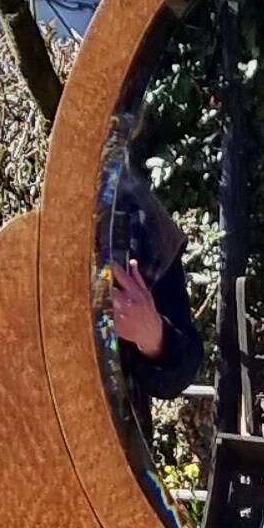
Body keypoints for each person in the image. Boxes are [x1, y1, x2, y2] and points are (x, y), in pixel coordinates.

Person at [102, 160, 203, 430]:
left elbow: (182, 368)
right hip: (32, 438)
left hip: (115, 443)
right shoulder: (27, 227)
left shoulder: (137, 211)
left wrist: (154, 337)